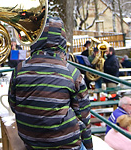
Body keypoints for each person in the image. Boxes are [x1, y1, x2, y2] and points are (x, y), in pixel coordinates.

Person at [9, 16, 93, 150]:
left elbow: (13, 105)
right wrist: (89, 147)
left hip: (30, 141)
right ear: (62, 40)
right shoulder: (72, 72)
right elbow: (84, 116)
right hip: (65, 144)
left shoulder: (19, 69)